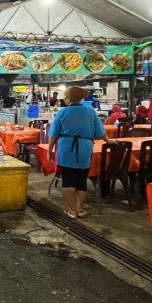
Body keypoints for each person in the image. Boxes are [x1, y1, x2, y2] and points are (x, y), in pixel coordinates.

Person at [47, 86, 115, 219]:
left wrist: (49, 151)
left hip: (66, 148)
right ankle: (80, 209)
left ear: (68, 98)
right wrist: (109, 141)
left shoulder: (62, 112)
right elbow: (100, 131)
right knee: (81, 180)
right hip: (85, 147)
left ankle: (72, 211)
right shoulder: (90, 111)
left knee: (68, 180)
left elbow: (53, 135)